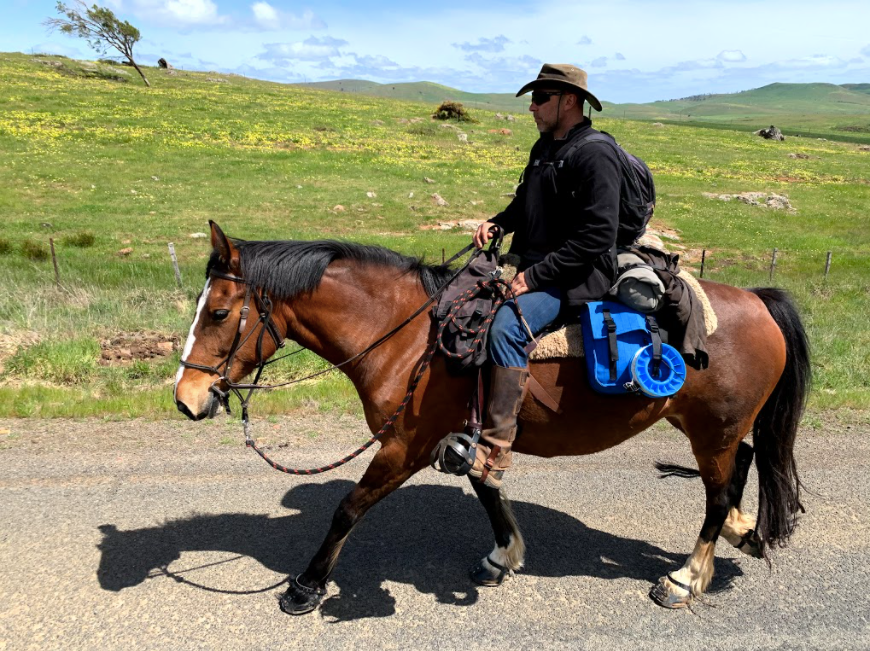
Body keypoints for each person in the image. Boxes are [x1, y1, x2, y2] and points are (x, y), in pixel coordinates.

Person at [469, 63, 622, 488]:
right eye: (533, 99)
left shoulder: (596, 153)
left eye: (540, 99)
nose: (532, 108)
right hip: (541, 267)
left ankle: (496, 446)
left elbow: (597, 235)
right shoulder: (544, 148)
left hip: (578, 275)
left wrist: (535, 277)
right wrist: (498, 222)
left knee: (505, 329)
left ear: (568, 101)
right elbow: (524, 203)